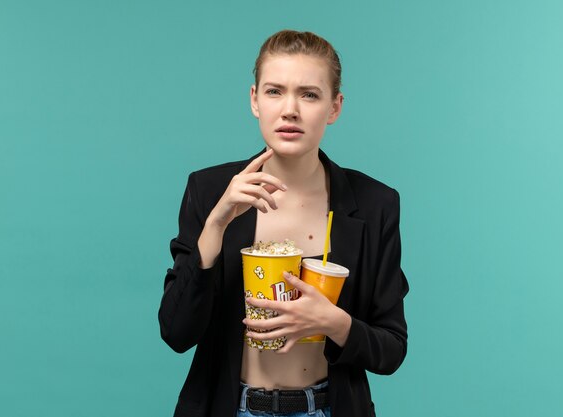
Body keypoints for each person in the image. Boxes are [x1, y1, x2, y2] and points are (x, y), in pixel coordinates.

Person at [158, 29, 409, 417]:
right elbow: (176, 333)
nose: (289, 109)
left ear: (334, 107)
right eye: (274, 91)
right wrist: (216, 224)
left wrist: (334, 322)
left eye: (309, 94)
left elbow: (392, 348)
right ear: (254, 100)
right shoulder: (210, 190)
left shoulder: (375, 204)